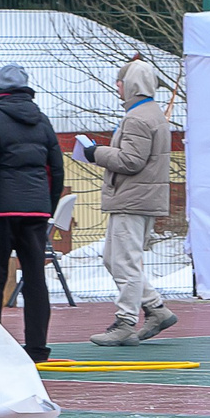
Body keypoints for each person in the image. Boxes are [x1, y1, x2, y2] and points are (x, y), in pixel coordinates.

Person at [0, 62, 62, 362]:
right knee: (35, 278)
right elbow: (57, 170)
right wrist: (47, 206)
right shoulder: (42, 121)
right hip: (35, 212)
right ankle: (38, 349)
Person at [78, 58, 175, 346]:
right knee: (115, 259)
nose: (117, 87)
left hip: (132, 199)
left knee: (125, 262)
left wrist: (95, 153)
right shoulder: (152, 113)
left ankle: (125, 322)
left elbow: (131, 161)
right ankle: (156, 309)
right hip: (140, 198)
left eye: (120, 82)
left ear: (131, 84)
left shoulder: (137, 118)